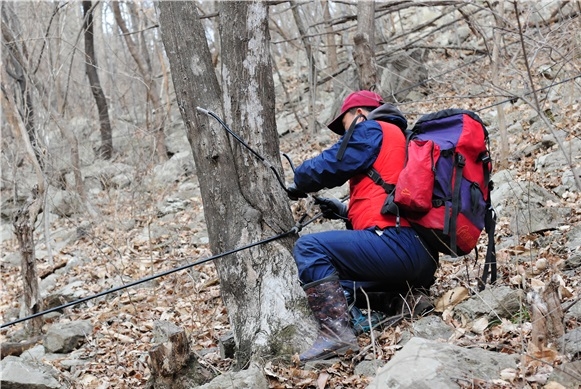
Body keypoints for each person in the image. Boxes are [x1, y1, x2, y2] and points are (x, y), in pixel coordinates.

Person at [287, 90, 439, 362]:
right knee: (334, 280)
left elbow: (331, 164)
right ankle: (404, 300)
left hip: (395, 247)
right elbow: (390, 200)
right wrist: (344, 211)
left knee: (309, 248)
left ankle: (336, 336)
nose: (344, 136)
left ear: (358, 114)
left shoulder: (371, 129)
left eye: (345, 127)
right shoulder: (401, 141)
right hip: (421, 257)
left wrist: (299, 179)